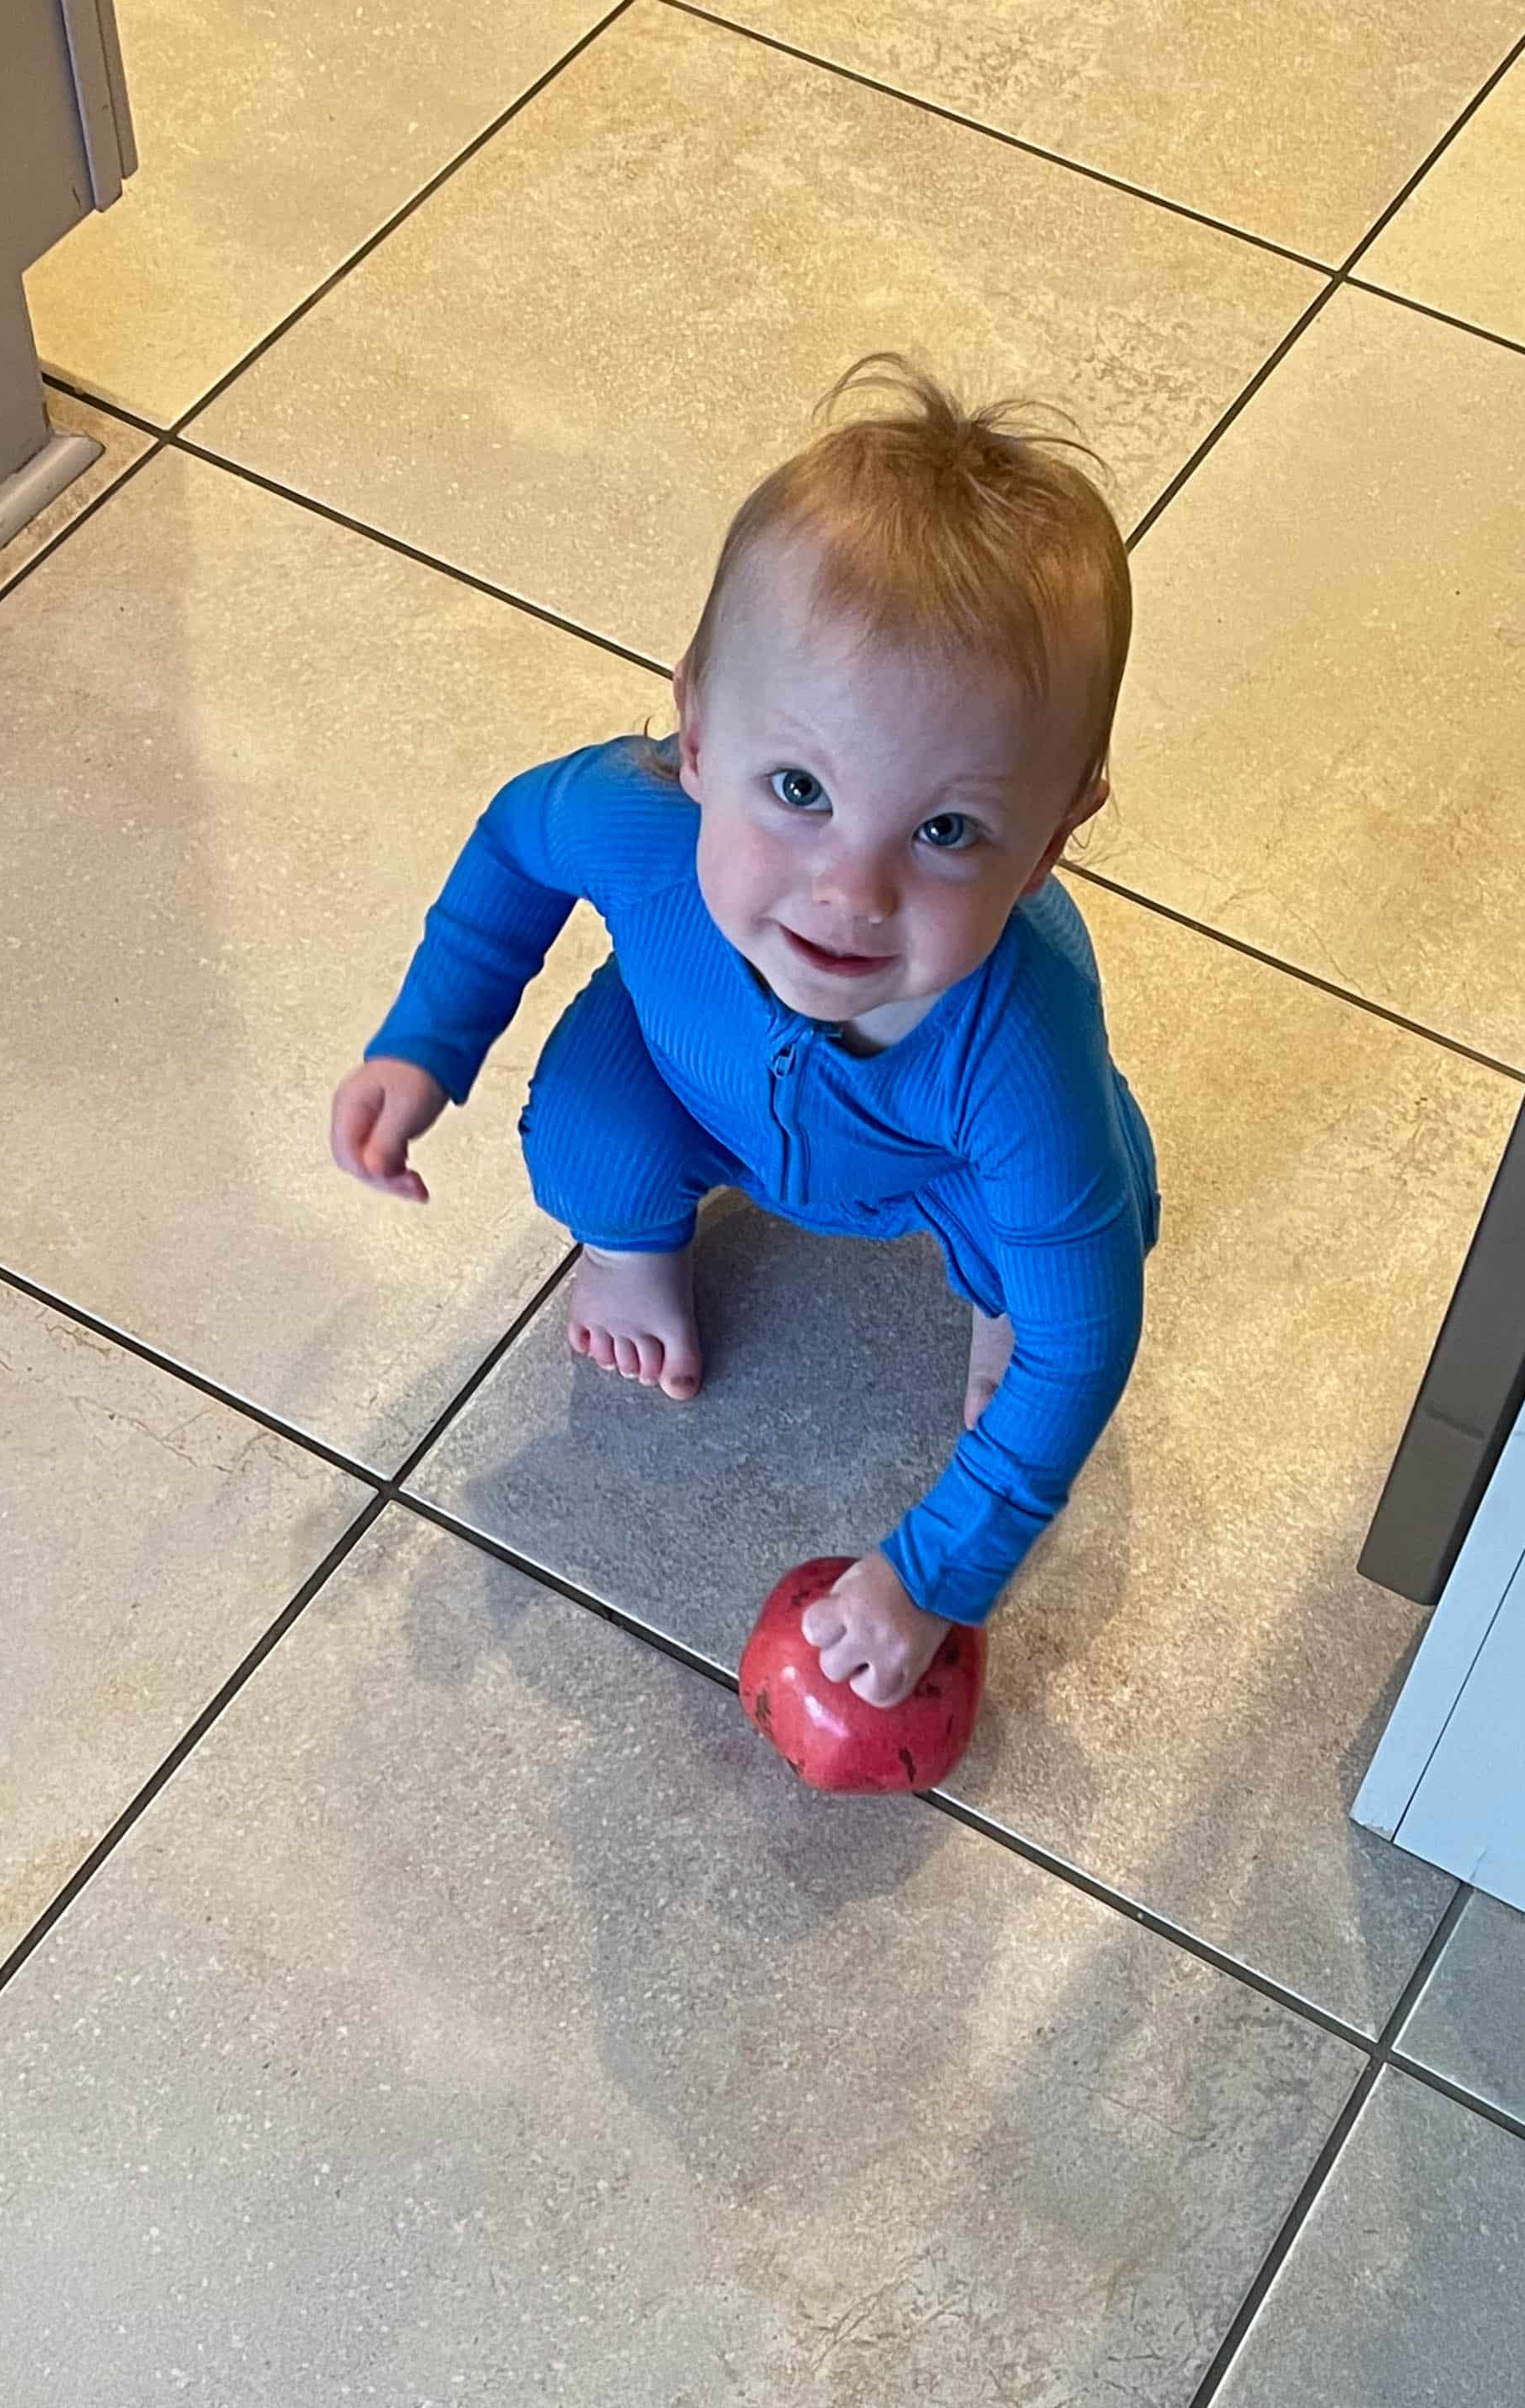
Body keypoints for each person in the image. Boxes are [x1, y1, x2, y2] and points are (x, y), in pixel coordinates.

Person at [331, 355, 1159, 1712]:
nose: (852, 890)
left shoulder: (1024, 1041)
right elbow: (514, 849)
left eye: (948, 830)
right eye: (799, 790)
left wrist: (935, 1572)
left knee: (1064, 1273)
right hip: (688, 1077)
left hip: (933, 1166)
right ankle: (631, 1251)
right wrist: (427, 1041)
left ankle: (994, 1300)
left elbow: (1094, 1341)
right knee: (586, 1137)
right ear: (699, 741)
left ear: (1052, 842)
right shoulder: (635, 819)